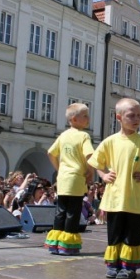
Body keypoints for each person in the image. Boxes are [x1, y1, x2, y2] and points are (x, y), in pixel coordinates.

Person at [88, 98, 140, 279]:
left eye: (139, 115)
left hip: (134, 197)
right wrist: (103, 175)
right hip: (115, 197)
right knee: (115, 232)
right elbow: (94, 161)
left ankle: (129, 266)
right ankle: (114, 265)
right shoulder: (110, 142)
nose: (136, 119)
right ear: (119, 117)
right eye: (131, 115)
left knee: (133, 233)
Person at [44, 103, 95, 256]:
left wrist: (59, 168)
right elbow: (89, 155)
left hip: (63, 178)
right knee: (73, 211)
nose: (88, 119)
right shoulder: (83, 136)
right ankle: (67, 244)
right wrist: (90, 172)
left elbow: (51, 153)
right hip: (76, 177)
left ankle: (55, 243)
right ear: (74, 119)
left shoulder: (63, 135)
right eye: (85, 116)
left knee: (61, 210)